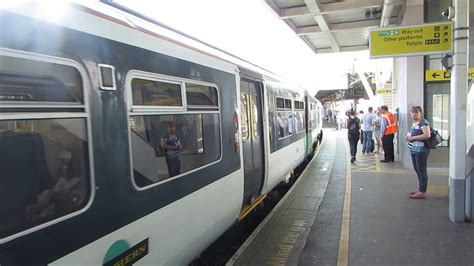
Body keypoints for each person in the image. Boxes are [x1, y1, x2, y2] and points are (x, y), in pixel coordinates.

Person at [406, 106, 431, 199]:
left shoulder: (423, 122)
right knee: (417, 170)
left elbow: (427, 135)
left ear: (421, 113)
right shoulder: (414, 124)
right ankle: (420, 189)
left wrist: (412, 138)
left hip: (421, 150)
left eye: (416, 112)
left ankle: (422, 191)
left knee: (422, 170)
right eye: (412, 112)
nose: (414, 114)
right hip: (414, 150)